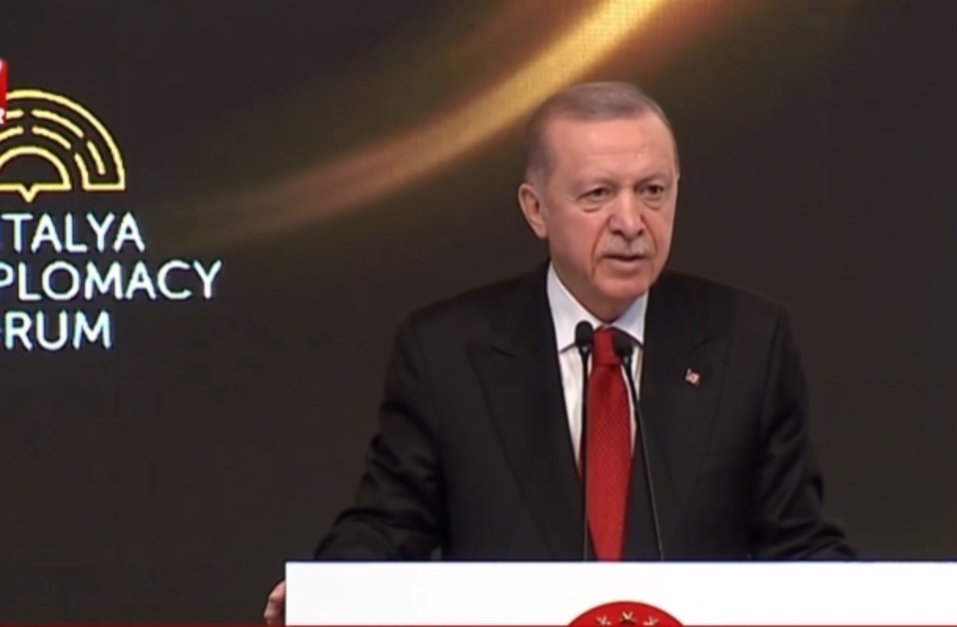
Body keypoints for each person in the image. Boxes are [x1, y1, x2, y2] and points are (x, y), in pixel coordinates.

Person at [263, 80, 857, 624]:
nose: (632, 221)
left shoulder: (748, 342)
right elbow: (391, 526)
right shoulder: (446, 352)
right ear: (536, 209)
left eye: (652, 191)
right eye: (598, 194)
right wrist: (328, 591)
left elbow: (797, 543)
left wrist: (889, 605)